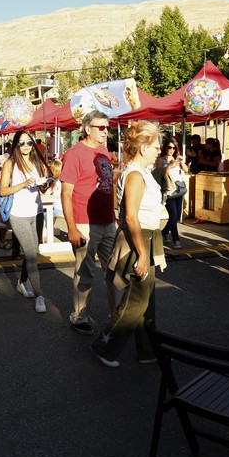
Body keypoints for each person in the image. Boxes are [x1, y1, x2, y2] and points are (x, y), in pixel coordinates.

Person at [90, 121, 165, 367]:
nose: (159, 150)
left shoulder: (141, 172)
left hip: (147, 238)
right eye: (155, 145)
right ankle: (105, 346)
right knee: (136, 300)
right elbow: (131, 216)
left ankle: (148, 350)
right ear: (143, 148)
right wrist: (142, 254)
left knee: (147, 300)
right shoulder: (134, 174)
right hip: (139, 239)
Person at [60, 110, 116, 335]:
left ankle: (118, 316)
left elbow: (106, 185)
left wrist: (115, 217)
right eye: (100, 127)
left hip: (108, 222)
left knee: (115, 271)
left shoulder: (104, 151)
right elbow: (66, 193)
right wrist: (72, 228)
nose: (105, 131)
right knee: (85, 273)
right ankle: (79, 316)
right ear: (86, 128)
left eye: (107, 127)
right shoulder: (74, 154)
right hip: (84, 222)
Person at [0, 130, 50, 313]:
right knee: (30, 254)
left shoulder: (37, 160)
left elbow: (43, 186)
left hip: (36, 212)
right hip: (18, 214)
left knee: (33, 252)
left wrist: (45, 183)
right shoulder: (10, 163)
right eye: (22, 143)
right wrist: (24, 184)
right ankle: (40, 295)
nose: (26, 146)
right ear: (15, 145)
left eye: (29, 142)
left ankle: (22, 282)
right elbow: (3, 190)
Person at [158, 137, 188, 249]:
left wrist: (181, 161)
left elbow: (186, 170)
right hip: (169, 190)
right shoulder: (161, 160)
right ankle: (176, 239)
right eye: (169, 147)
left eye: (174, 148)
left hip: (179, 189)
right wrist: (170, 166)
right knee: (173, 215)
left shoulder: (177, 159)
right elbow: (159, 174)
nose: (171, 150)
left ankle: (165, 232)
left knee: (176, 216)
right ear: (165, 147)